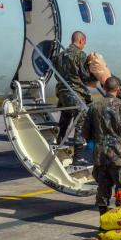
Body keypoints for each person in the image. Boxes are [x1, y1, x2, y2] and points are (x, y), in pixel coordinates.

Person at [83, 76, 121, 215]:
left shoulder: (94, 107)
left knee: (103, 186)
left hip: (100, 153)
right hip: (118, 153)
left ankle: (103, 218)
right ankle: (120, 217)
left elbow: (85, 131)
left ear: (105, 88)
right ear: (118, 89)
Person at [52, 31, 96, 166]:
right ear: (81, 41)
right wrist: (93, 71)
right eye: (84, 43)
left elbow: (57, 76)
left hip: (63, 93)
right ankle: (78, 158)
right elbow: (85, 77)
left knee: (64, 122)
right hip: (76, 94)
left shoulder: (59, 56)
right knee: (80, 124)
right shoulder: (80, 55)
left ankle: (56, 147)